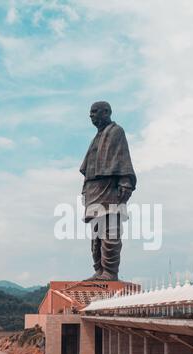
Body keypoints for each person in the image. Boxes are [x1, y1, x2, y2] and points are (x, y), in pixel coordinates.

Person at [80, 101, 136, 281]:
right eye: (90, 112)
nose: (91, 115)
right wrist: (84, 190)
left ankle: (110, 271)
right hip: (93, 188)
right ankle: (99, 269)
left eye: (95, 112)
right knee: (96, 233)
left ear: (107, 112)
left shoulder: (116, 131)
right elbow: (88, 167)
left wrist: (125, 182)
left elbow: (123, 157)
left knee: (111, 230)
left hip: (110, 187)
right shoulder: (96, 137)